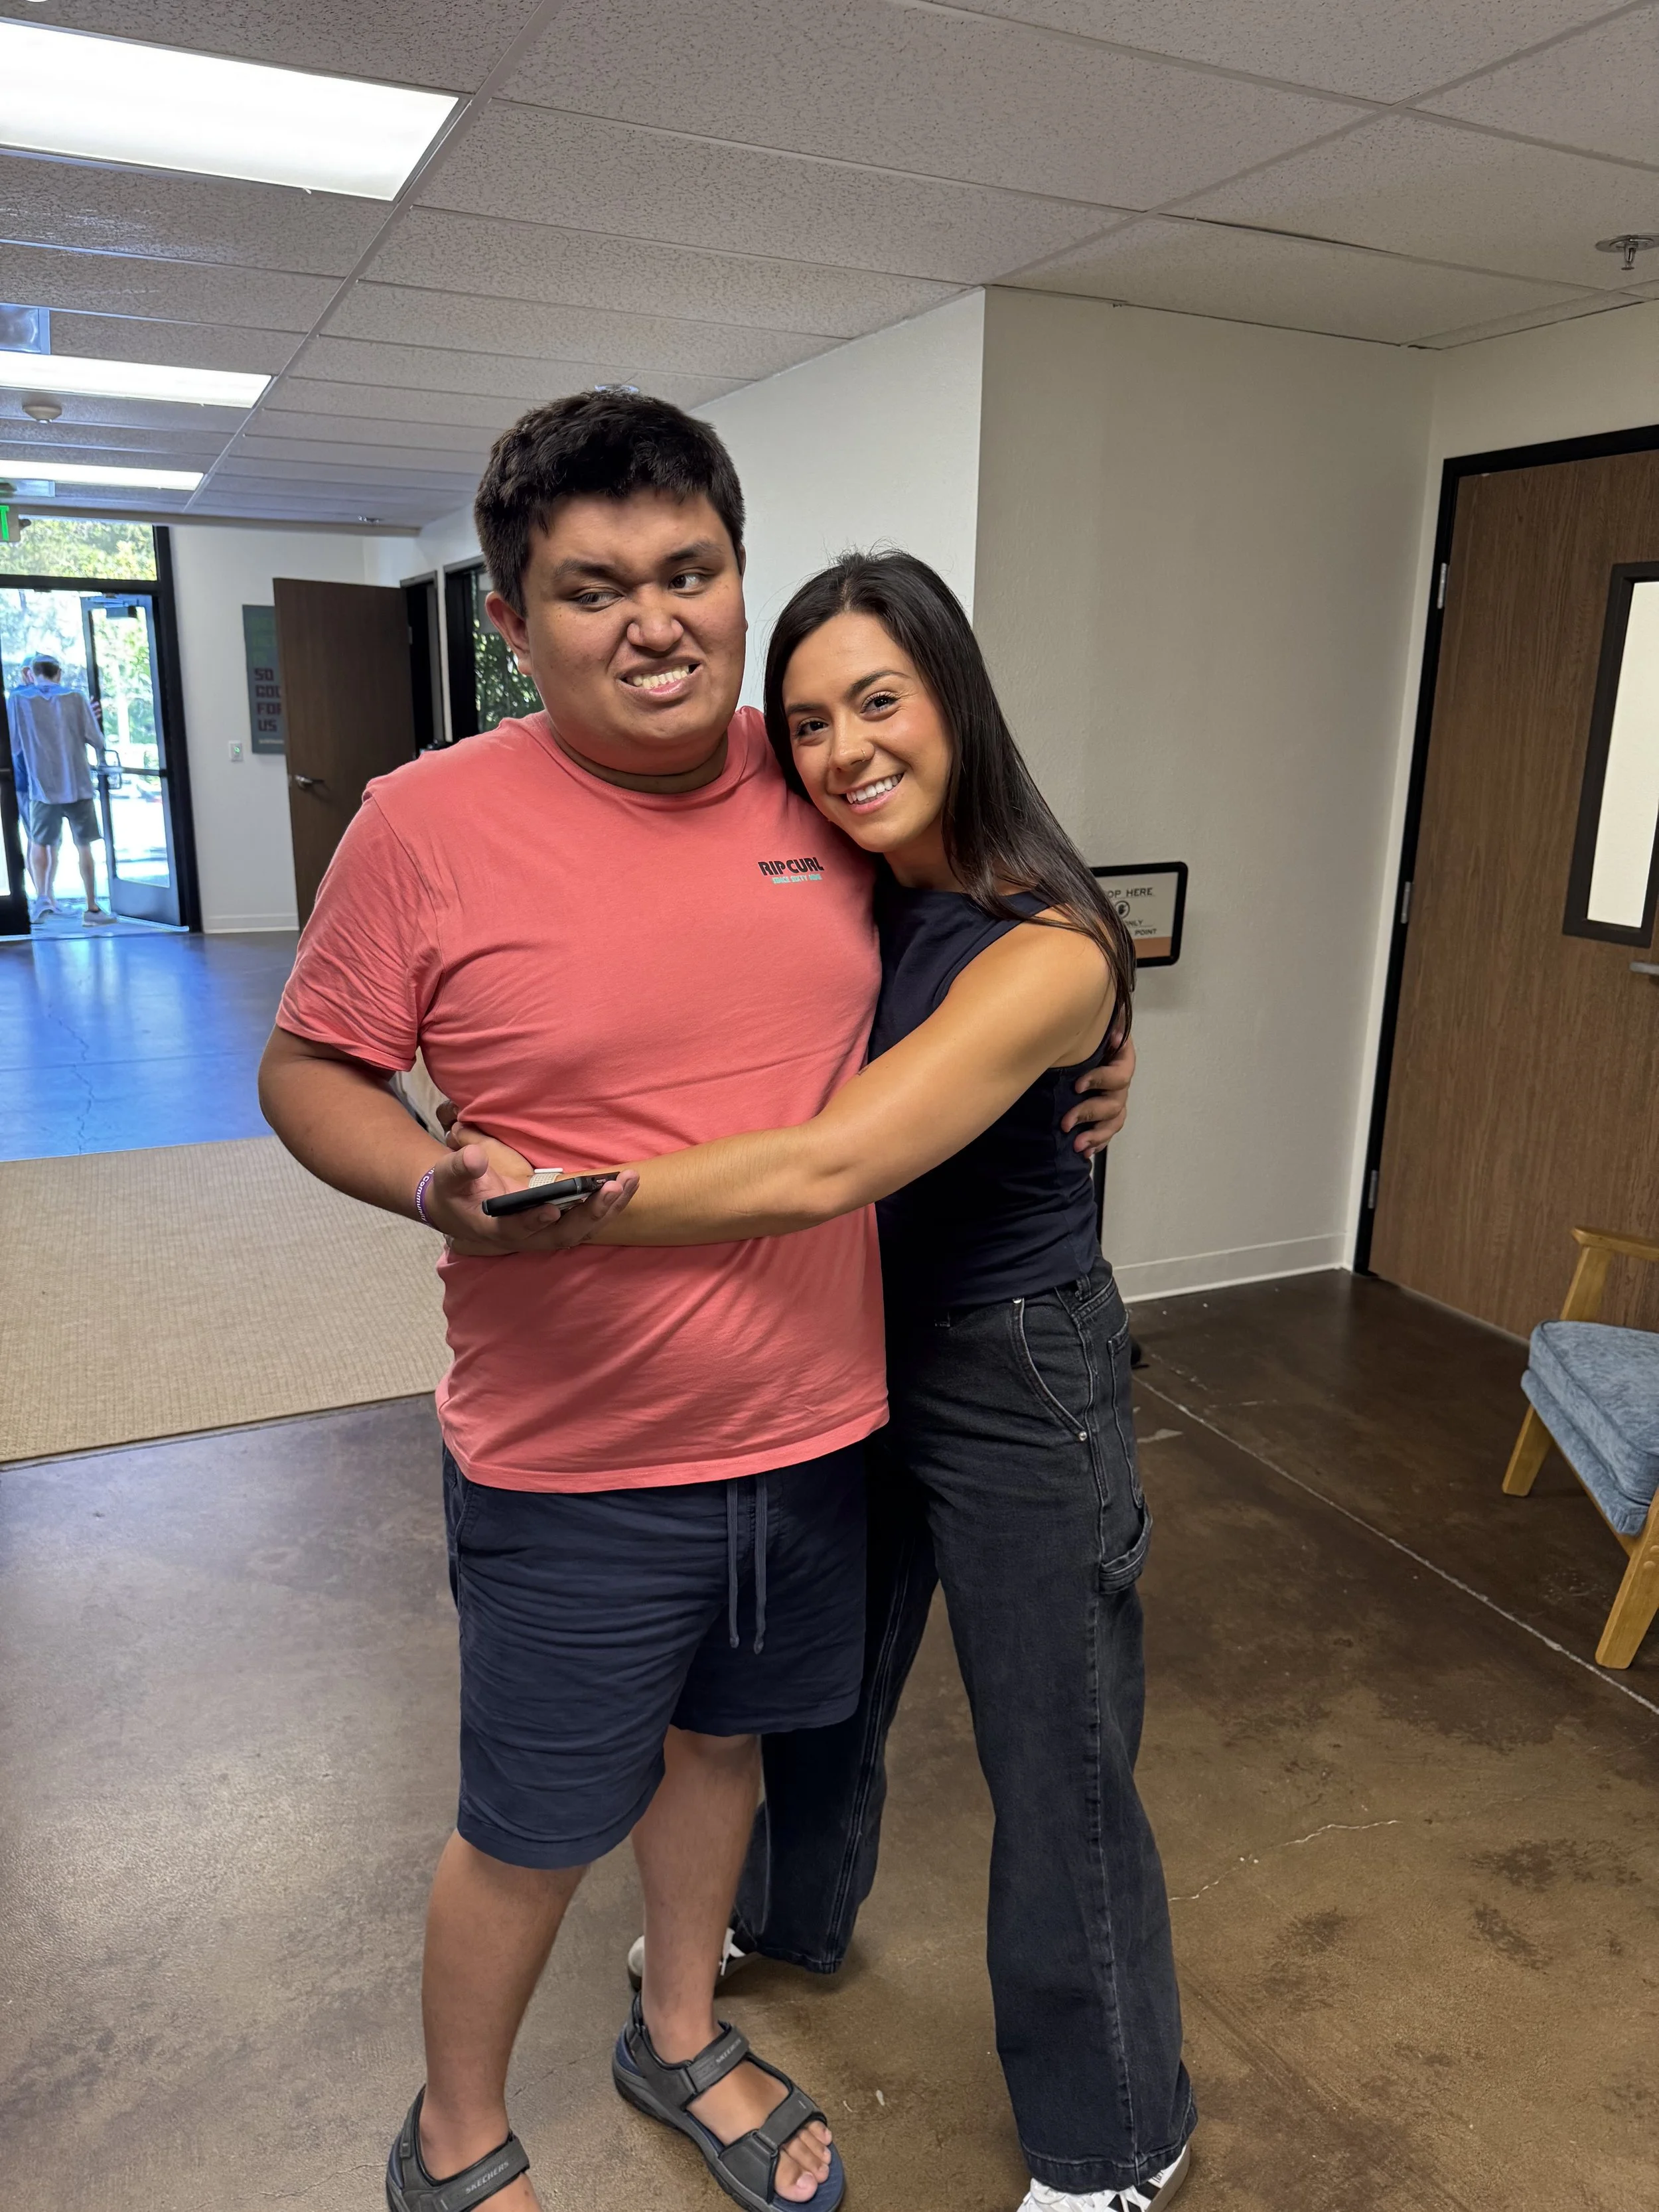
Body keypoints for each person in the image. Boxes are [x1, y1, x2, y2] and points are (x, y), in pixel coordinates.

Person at [257, 388, 1137, 2212]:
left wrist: (1102, 1044)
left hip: (813, 1427)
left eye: (690, 570)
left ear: (736, 578)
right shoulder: (420, 825)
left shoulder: (814, 777)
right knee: (524, 1827)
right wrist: (432, 1176)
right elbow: (307, 1067)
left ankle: (674, 2032)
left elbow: (992, 949)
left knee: (720, 1752)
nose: (653, 619)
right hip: (572, 1456)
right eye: (592, 589)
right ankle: (454, 2144)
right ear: (511, 626)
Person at [451, 552, 1194, 2212]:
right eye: (809, 721)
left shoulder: (1048, 937)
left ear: (952, 697)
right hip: (837, 1344)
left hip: (1012, 1369)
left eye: (880, 701)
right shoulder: (845, 875)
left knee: (1054, 1752)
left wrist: (571, 1210)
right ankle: (780, 1920)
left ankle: (1118, 2139)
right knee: (809, 1691)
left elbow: (832, 1159)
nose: (847, 748)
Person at [8, 653, 114, 923]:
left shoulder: (19, 700)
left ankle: (43, 899)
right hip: (77, 784)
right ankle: (92, 908)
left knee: (39, 842)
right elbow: (97, 739)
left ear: (33, 672)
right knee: (84, 846)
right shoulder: (76, 697)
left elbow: (15, 745)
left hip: (41, 787)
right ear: (59, 673)